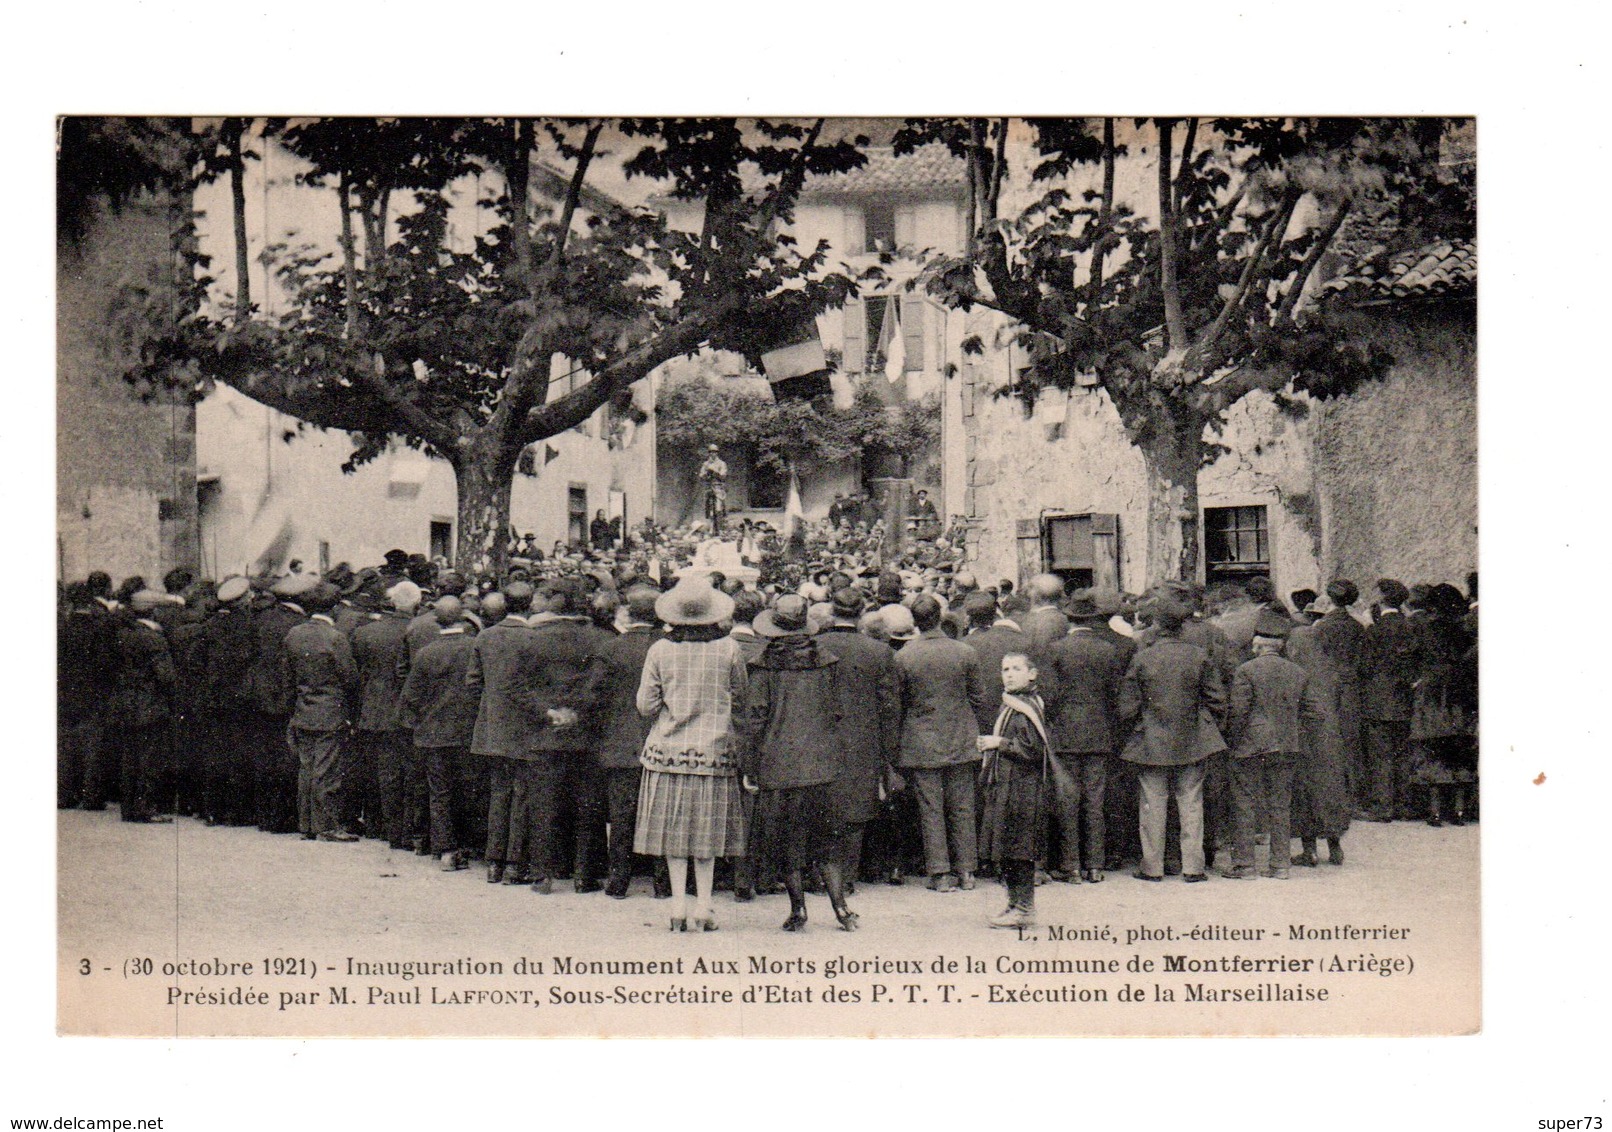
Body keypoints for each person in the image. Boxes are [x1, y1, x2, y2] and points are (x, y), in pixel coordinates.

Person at [739, 593, 860, 932]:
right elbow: (838, 712)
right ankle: (842, 910)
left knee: (787, 842)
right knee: (828, 841)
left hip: (779, 766)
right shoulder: (827, 662)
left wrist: (750, 766)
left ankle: (798, 911)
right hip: (822, 763)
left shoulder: (762, 666)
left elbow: (756, 718)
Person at [634, 575, 749, 932]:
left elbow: (645, 705)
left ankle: (678, 908)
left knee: (673, 833)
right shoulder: (729, 648)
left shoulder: (660, 650)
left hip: (668, 751)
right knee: (706, 834)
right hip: (713, 750)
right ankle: (703, 907)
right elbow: (741, 696)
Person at [1119, 594, 1227, 883]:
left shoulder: (1142, 658)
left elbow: (1126, 707)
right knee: (1191, 803)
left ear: (1156, 625)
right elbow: (1217, 700)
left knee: (1152, 804)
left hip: (1151, 742)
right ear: (1182, 626)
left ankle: (1151, 867)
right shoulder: (1199, 656)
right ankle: (1193, 867)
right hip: (1193, 739)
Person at [812, 587, 900, 901]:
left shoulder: (813, 646)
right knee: (856, 808)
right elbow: (890, 706)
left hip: (818, 737)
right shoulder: (878, 652)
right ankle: (846, 877)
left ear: (832, 611)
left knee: (820, 804)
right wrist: (890, 751)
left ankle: (820, 876)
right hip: (864, 740)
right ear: (861, 612)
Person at [1222, 611, 1325, 879]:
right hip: (1287, 746)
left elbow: (1238, 712)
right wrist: (1294, 730)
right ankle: (1280, 866)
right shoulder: (1298, 672)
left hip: (1250, 747)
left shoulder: (1246, 670)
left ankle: (1245, 866)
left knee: (1244, 803)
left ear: (1257, 644)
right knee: (1281, 805)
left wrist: (1232, 742)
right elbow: (1316, 713)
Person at [525, 577, 609, 894]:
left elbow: (517, 686)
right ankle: (583, 874)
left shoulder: (533, 638)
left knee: (544, 805)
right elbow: (601, 689)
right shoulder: (599, 640)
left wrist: (548, 711)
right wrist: (578, 713)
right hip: (586, 735)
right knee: (587, 807)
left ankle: (543, 874)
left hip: (544, 733)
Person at [896, 593, 985, 892]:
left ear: (914, 622)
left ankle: (940, 873)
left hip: (922, 739)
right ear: (940, 616)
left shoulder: (904, 656)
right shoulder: (965, 651)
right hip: (961, 736)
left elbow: (900, 702)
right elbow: (978, 696)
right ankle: (967, 871)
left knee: (930, 807)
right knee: (962, 805)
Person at [1039, 591, 1124, 883]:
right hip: (1099, 733)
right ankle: (1095, 866)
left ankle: (1071, 865)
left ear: (1069, 619)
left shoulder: (1055, 649)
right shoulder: (1107, 650)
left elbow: (1048, 695)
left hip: (1064, 733)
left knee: (1067, 800)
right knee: (1095, 801)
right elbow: (1116, 696)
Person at [398, 596, 483, 871]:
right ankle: (467, 845)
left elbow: (410, 695)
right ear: (463, 618)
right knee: (469, 789)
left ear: (436, 621)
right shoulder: (474, 647)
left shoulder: (426, 653)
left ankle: (445, 849)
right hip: (469, 732)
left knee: (440, 792)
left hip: (434, 734)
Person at [467, 581, 541, 885]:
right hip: (524, 730)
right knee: (521, 795)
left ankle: (493, 863)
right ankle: (514, 865)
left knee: (499, 793)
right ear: (531, 604)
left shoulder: (485, 636)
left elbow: (473, 682)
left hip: (492, 728)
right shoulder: (534, 639)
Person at [594, 586, 664, 899]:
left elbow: (595, 696)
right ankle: (663, 882)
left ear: (629, 614)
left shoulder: (612, 648)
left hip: (620, 740)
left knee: (621, 815)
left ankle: (618, 880)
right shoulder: (669, 646)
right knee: (662, 813)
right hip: (662, 739)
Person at [280, 582, 360, 842]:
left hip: (303, 709)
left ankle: (307, 825)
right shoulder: (335, 638)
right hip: (330, 711)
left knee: (306, 767)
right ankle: (327, 826)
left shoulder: (294, 634)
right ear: (334, 608)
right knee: (328, 770)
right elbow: (350, 678)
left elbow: (286, 676)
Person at [978, 653, 1052, 927]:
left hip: (1024, 788)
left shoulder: (1027, 707)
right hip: (1010, 785)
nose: (1009, 674)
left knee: (1020, 848)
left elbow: (1033, 750)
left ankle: (1024, 909)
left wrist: (1000, 743)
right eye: (1005, 669)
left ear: (1032, 674)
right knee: (1009, 846)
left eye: (1016, 669)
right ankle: (1013, 904)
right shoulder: (1012, 703)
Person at [351, 580, 420, 849]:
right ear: (416, 604)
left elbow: (357, 674)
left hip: (372, 710)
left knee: (379, 771)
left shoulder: (366, 633)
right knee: (407, 773)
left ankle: (378, 826)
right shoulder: (417, 631)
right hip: (405, 712)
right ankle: (404, 831)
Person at [1409, 583, 1478, 826]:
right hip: (1460, 691)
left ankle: (1435, 811)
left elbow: (1412, 656)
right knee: (1458, 749)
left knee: (1431, 747)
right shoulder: (1464, 630)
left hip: (1432, 690)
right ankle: (1459, 811)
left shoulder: (1425, 629)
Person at [116, 590, 178, 824]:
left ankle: (129, 807)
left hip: (127, 703)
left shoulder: (124, 635)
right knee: (149, 758)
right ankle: (146, 807)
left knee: (129, 757)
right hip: (150, 704)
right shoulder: (154, 639)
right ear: (154, 610)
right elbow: (166, 676)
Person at [1361, 579, 1419, 822]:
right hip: (1404, 697)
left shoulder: (1374, 630)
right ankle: (1404, 805)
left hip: (1378, 698)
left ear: (1382, 597)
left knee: (1380, 755)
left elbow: (1364, 666)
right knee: (1403, 753)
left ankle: (1382, 807)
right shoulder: (1410, 626)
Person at [1022, 574, 1071, 658]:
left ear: (1037, 597)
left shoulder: (1031, 622)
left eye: (1031, 591)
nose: (1029, 595)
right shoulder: (1067, 620)